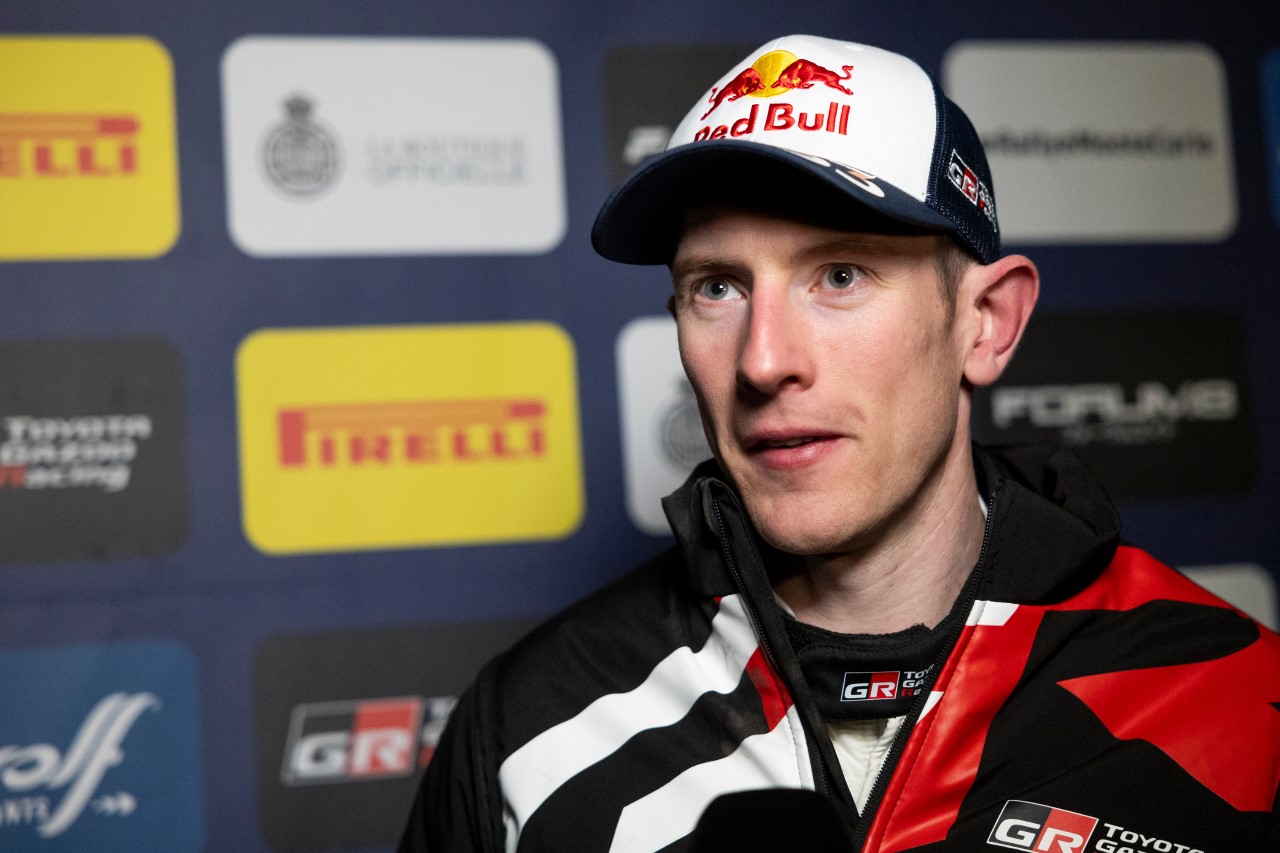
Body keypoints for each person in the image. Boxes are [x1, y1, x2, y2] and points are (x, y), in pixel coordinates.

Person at [400, 34, 1280, 852]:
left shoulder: (1242, 702)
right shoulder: (529, 728)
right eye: (717, 287)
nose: (763, 360)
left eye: (841, 274)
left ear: (985, 322)